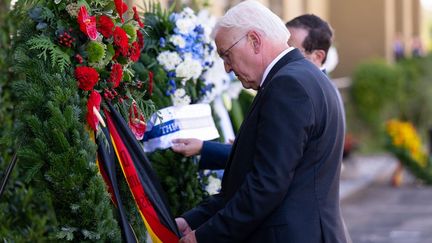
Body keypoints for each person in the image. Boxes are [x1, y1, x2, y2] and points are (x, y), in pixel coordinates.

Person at [175, 1, 349, 242]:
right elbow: (251, 175)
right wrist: (192, 221)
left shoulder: (288, 85)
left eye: (227, 55)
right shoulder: (305, 77)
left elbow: (266, 184)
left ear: (255, 40)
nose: (226, 68)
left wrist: (203, 236)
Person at [172, 14, 342, 169]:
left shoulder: (294, 89)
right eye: (283, 44)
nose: (284, 53)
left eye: (292, 49)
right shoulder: (318, 88)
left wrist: (207, 148)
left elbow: (274, 168)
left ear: (318, 56)